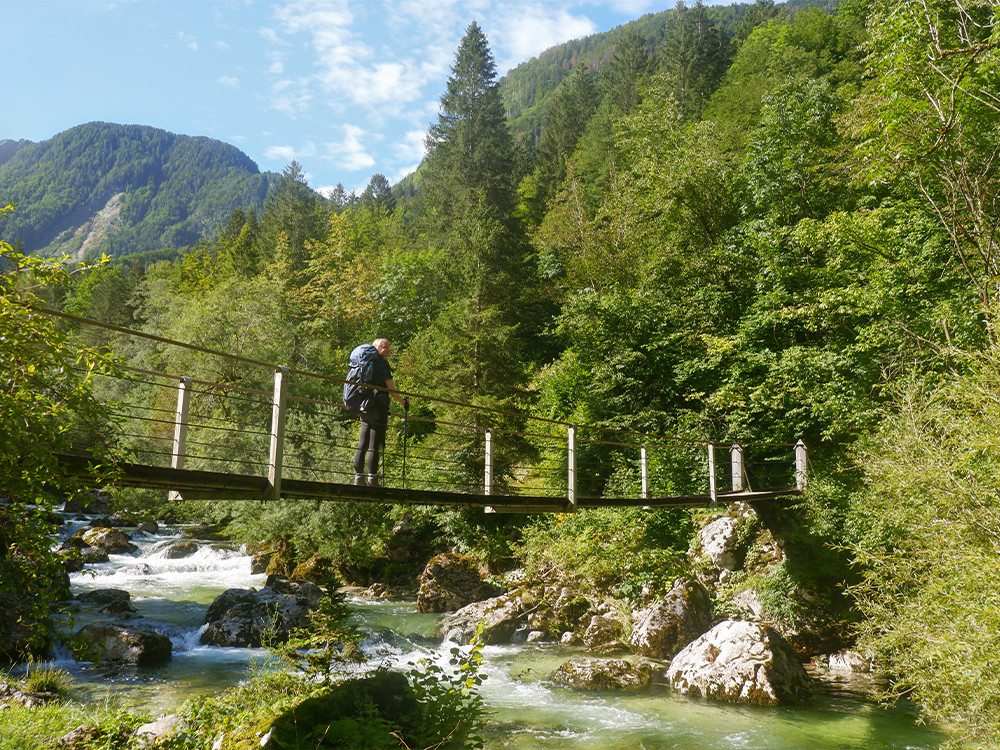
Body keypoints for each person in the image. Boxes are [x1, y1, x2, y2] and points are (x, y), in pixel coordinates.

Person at [353, 338, 408, 486]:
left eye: (389, 346)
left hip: (365, 405)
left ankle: (358, 478)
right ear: (377, 348)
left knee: (362, 444)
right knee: (374, 446)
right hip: (378, 407)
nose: (389, 349)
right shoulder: (382, 363)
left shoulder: (365, 362)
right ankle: (372, 479)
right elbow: (391, 388)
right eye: (385, 347)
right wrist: (403, 402)